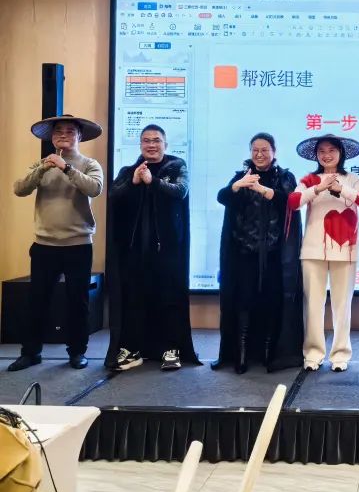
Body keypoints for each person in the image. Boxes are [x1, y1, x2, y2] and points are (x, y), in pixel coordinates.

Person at [9, 115, 103, 372]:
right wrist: (43, 169)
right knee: (37, 301)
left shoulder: (89, 164)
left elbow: (95, 189)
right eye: (58, 131)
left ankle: (77, 352)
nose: (63, 134)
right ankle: (31, 353)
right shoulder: (42, 164)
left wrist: (66, 168)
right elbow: (19, 188)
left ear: (79, 136)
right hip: (44, 245)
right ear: (51, 137)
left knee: (77, 302)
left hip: (78, 245)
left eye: (70, 131)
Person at [107, 124, 198, 371]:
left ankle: (171, 349)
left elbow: (181, 191)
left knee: (168, 300)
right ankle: (133, 350)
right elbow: (113, 196)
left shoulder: (177, 167)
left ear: (165, 144)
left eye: (156, 140)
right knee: (135, 301)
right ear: (140, 145)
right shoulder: (130, 171)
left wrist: (153, 181)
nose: (151, 145)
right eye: (146, 140)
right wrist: (134, 182)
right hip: (136, 251)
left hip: (167, 251)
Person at [211, 132, 303, 374]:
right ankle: (241, 355)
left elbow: (291, 202)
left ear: (274, 152)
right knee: (244, 302)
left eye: (264, 150)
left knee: (271, 302)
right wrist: (237, 186)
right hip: (245, 252)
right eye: (255, 150)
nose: (259, 154)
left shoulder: (284, 177)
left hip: (274, 253)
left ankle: (268, 354)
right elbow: (222, 197)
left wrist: (264, 190)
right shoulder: (242, 176)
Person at [288, 134, 359, 372]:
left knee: (342, 305)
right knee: (313, 305)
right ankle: (313, 353)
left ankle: (340, 354)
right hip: (313, 250)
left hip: (346, 251)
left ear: (341, 153)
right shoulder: (309, 179)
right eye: (322, 151)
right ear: (316, 155)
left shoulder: (352, 179)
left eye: (332, 150)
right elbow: (293, 202)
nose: (327, 155)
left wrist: (340, 188)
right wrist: (318, 188)